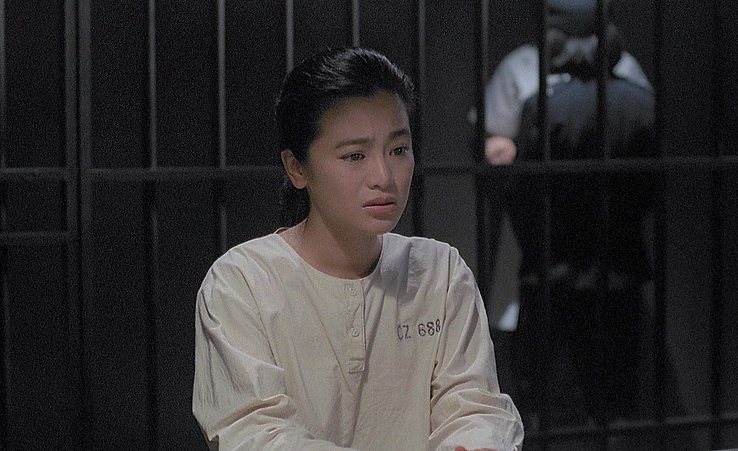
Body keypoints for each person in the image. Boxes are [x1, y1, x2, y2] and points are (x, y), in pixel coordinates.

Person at [192, 47, 524, 451]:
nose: (383, 176)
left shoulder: (440, 272)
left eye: (398, 150)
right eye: (355, 155)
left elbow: (473, 407)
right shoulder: (243, 283)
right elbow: (254, 433)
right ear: (296, 167)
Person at [483, 0, 669, 432]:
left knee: (540, 385)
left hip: (549, 254)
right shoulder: (635, 90)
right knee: (611, 388)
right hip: (616, 255)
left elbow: (516, 175)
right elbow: (651, 178)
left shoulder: (541, 96)